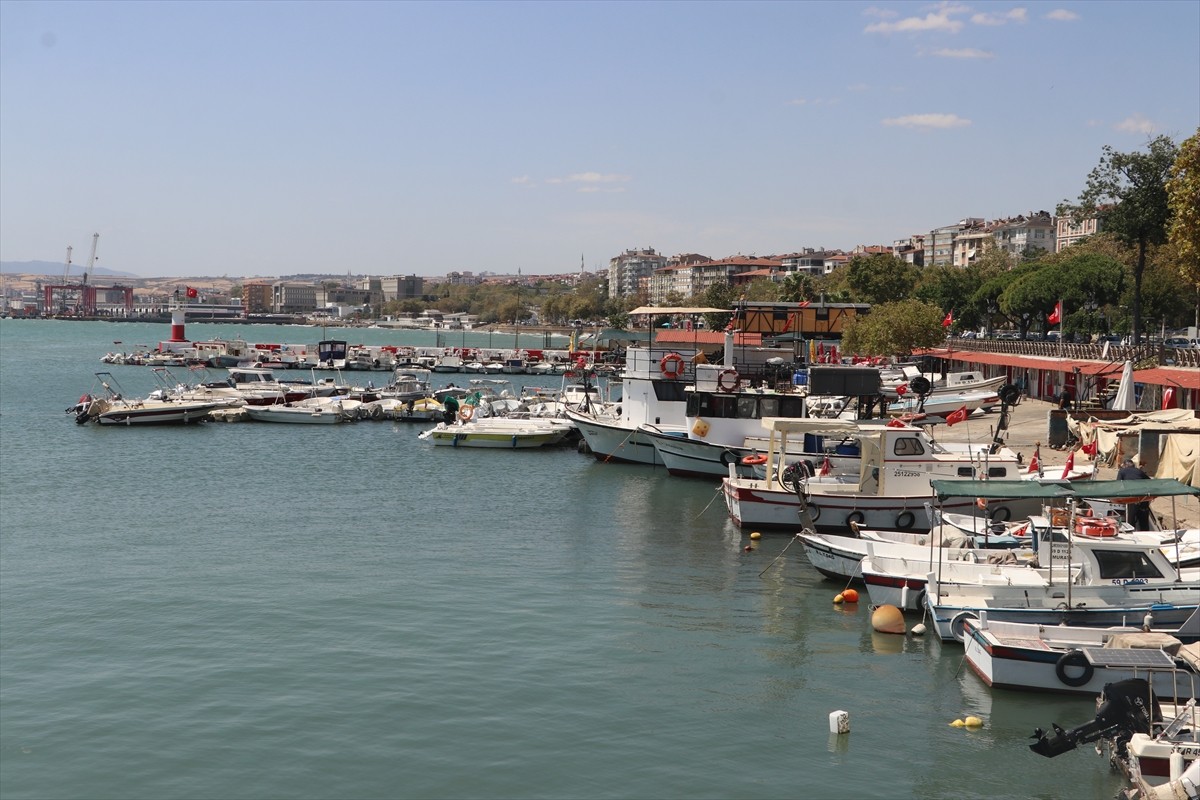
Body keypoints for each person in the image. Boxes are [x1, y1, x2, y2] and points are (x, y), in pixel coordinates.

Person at [1116, 456, 1152, 530]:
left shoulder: (1122, 471)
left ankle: (1131, 532)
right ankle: (1145, 532)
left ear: (1124, 465)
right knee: (1144, 520)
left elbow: (1118, 484)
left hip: (1132, 497)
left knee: (1131, 520)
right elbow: (1149, 481)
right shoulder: (1139, 471)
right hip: (1143, 497)